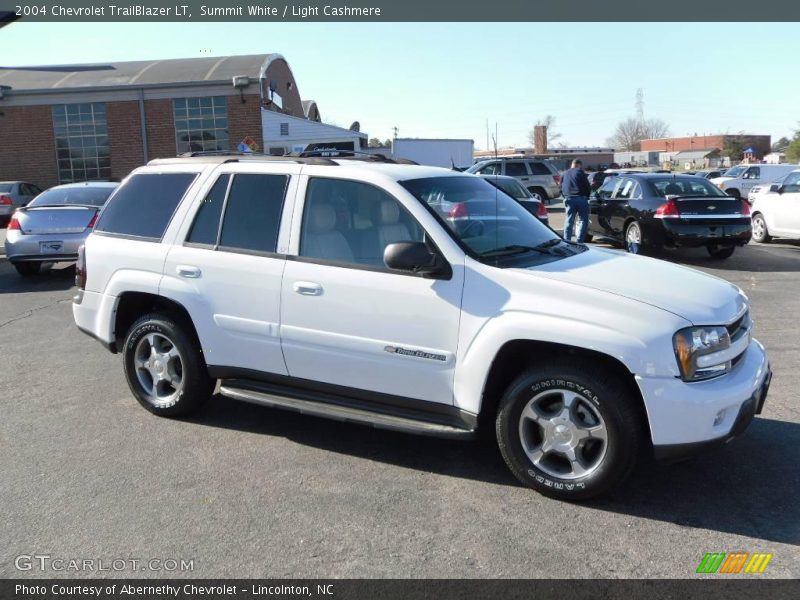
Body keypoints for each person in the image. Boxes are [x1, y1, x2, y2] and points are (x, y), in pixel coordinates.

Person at [560, 159, 591, 243]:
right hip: (581, 199)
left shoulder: (564, 173)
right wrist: (587, 196)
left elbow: (561, 187)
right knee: (583, 220)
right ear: (579, 165)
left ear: (572, 164)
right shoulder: (580, 172)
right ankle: (580, 241)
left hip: (569, 199)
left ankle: (567, 240)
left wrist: (565, 197)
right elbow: (587, 186)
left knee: (569, 220)